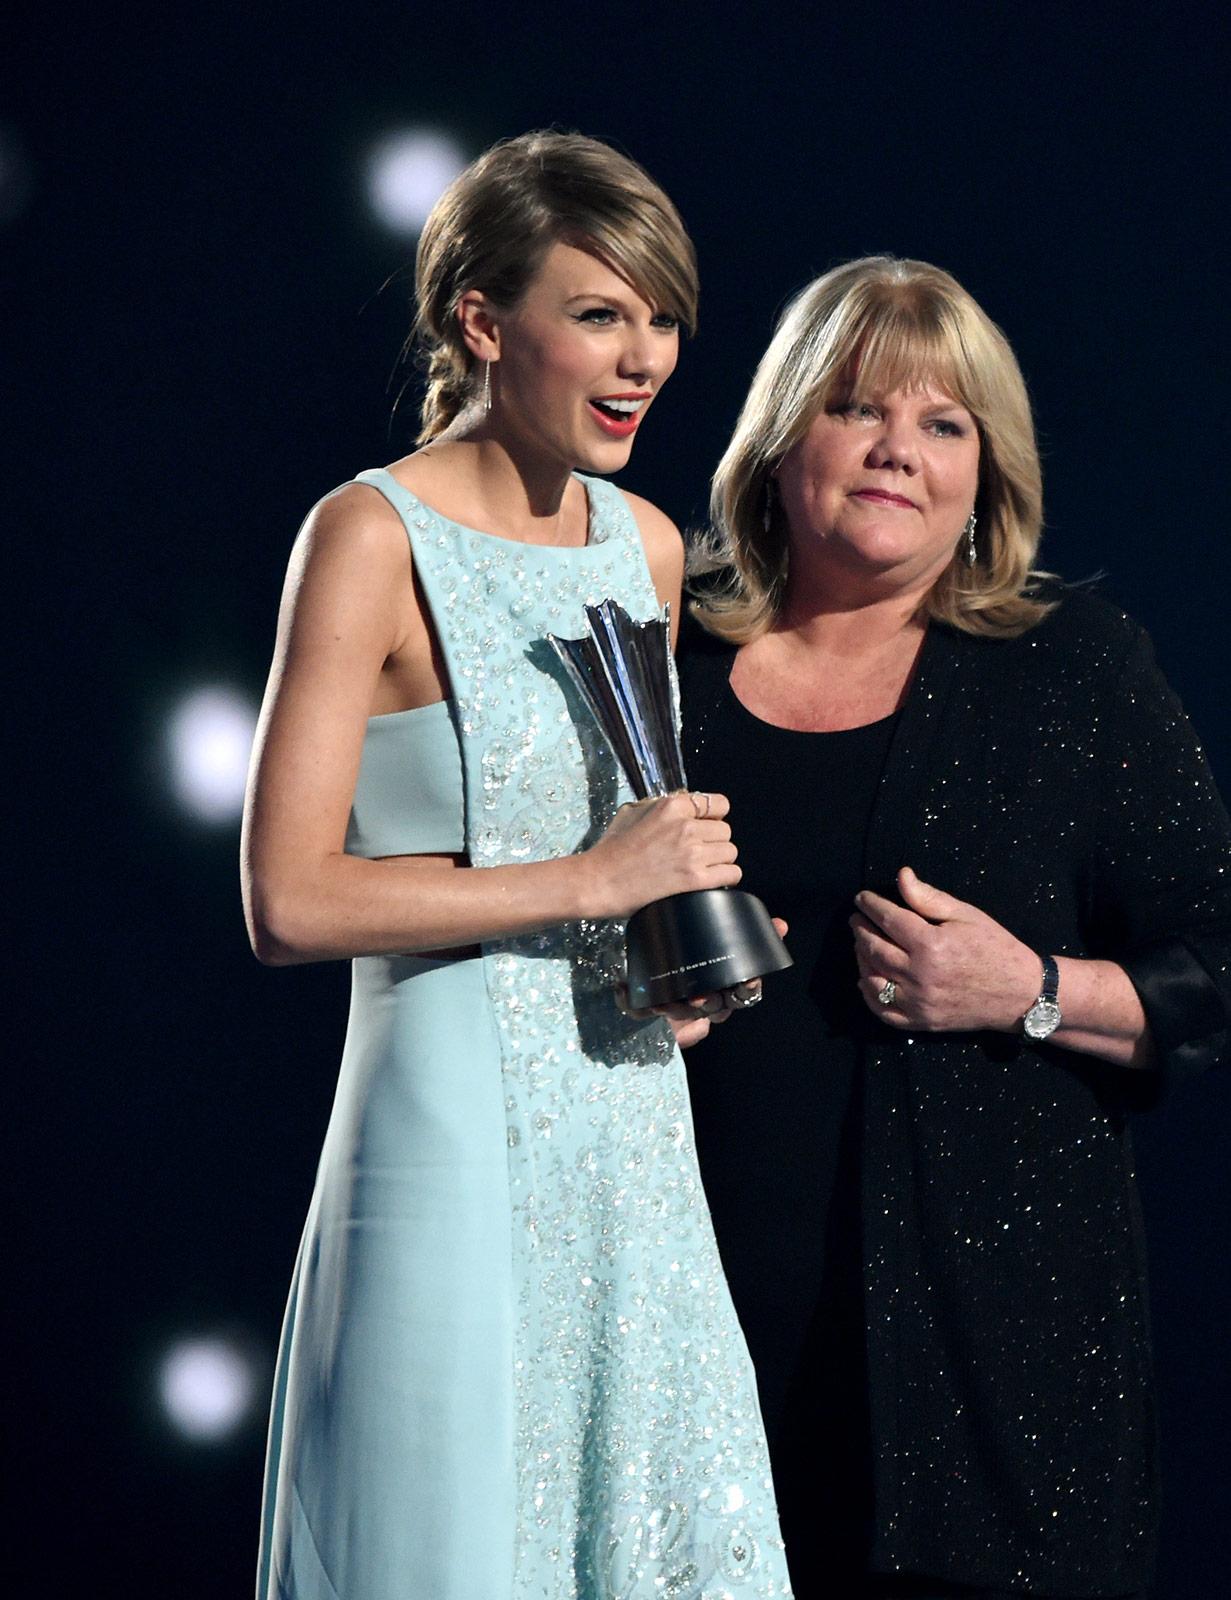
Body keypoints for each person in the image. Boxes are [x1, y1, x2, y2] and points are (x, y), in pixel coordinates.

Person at [673, 256, 1231, 1600]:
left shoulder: (1070, 670)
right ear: (783, 444)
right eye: (858, 410)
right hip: (689, 1364)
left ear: (986, 475)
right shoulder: (669, 669)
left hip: (986, 1397)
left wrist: (1029, 988)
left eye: (943, 425)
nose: (899, 451)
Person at [243, 131, 790, 1600]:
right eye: (600, 312)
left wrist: (669, 961)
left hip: (628, 1121)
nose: (645, 358)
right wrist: (591, 885)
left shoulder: (650, 547)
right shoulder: (367, 535)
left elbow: (624, 849)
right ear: (483, 322)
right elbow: (289, 900)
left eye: (662, 317)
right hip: (442, 1124)